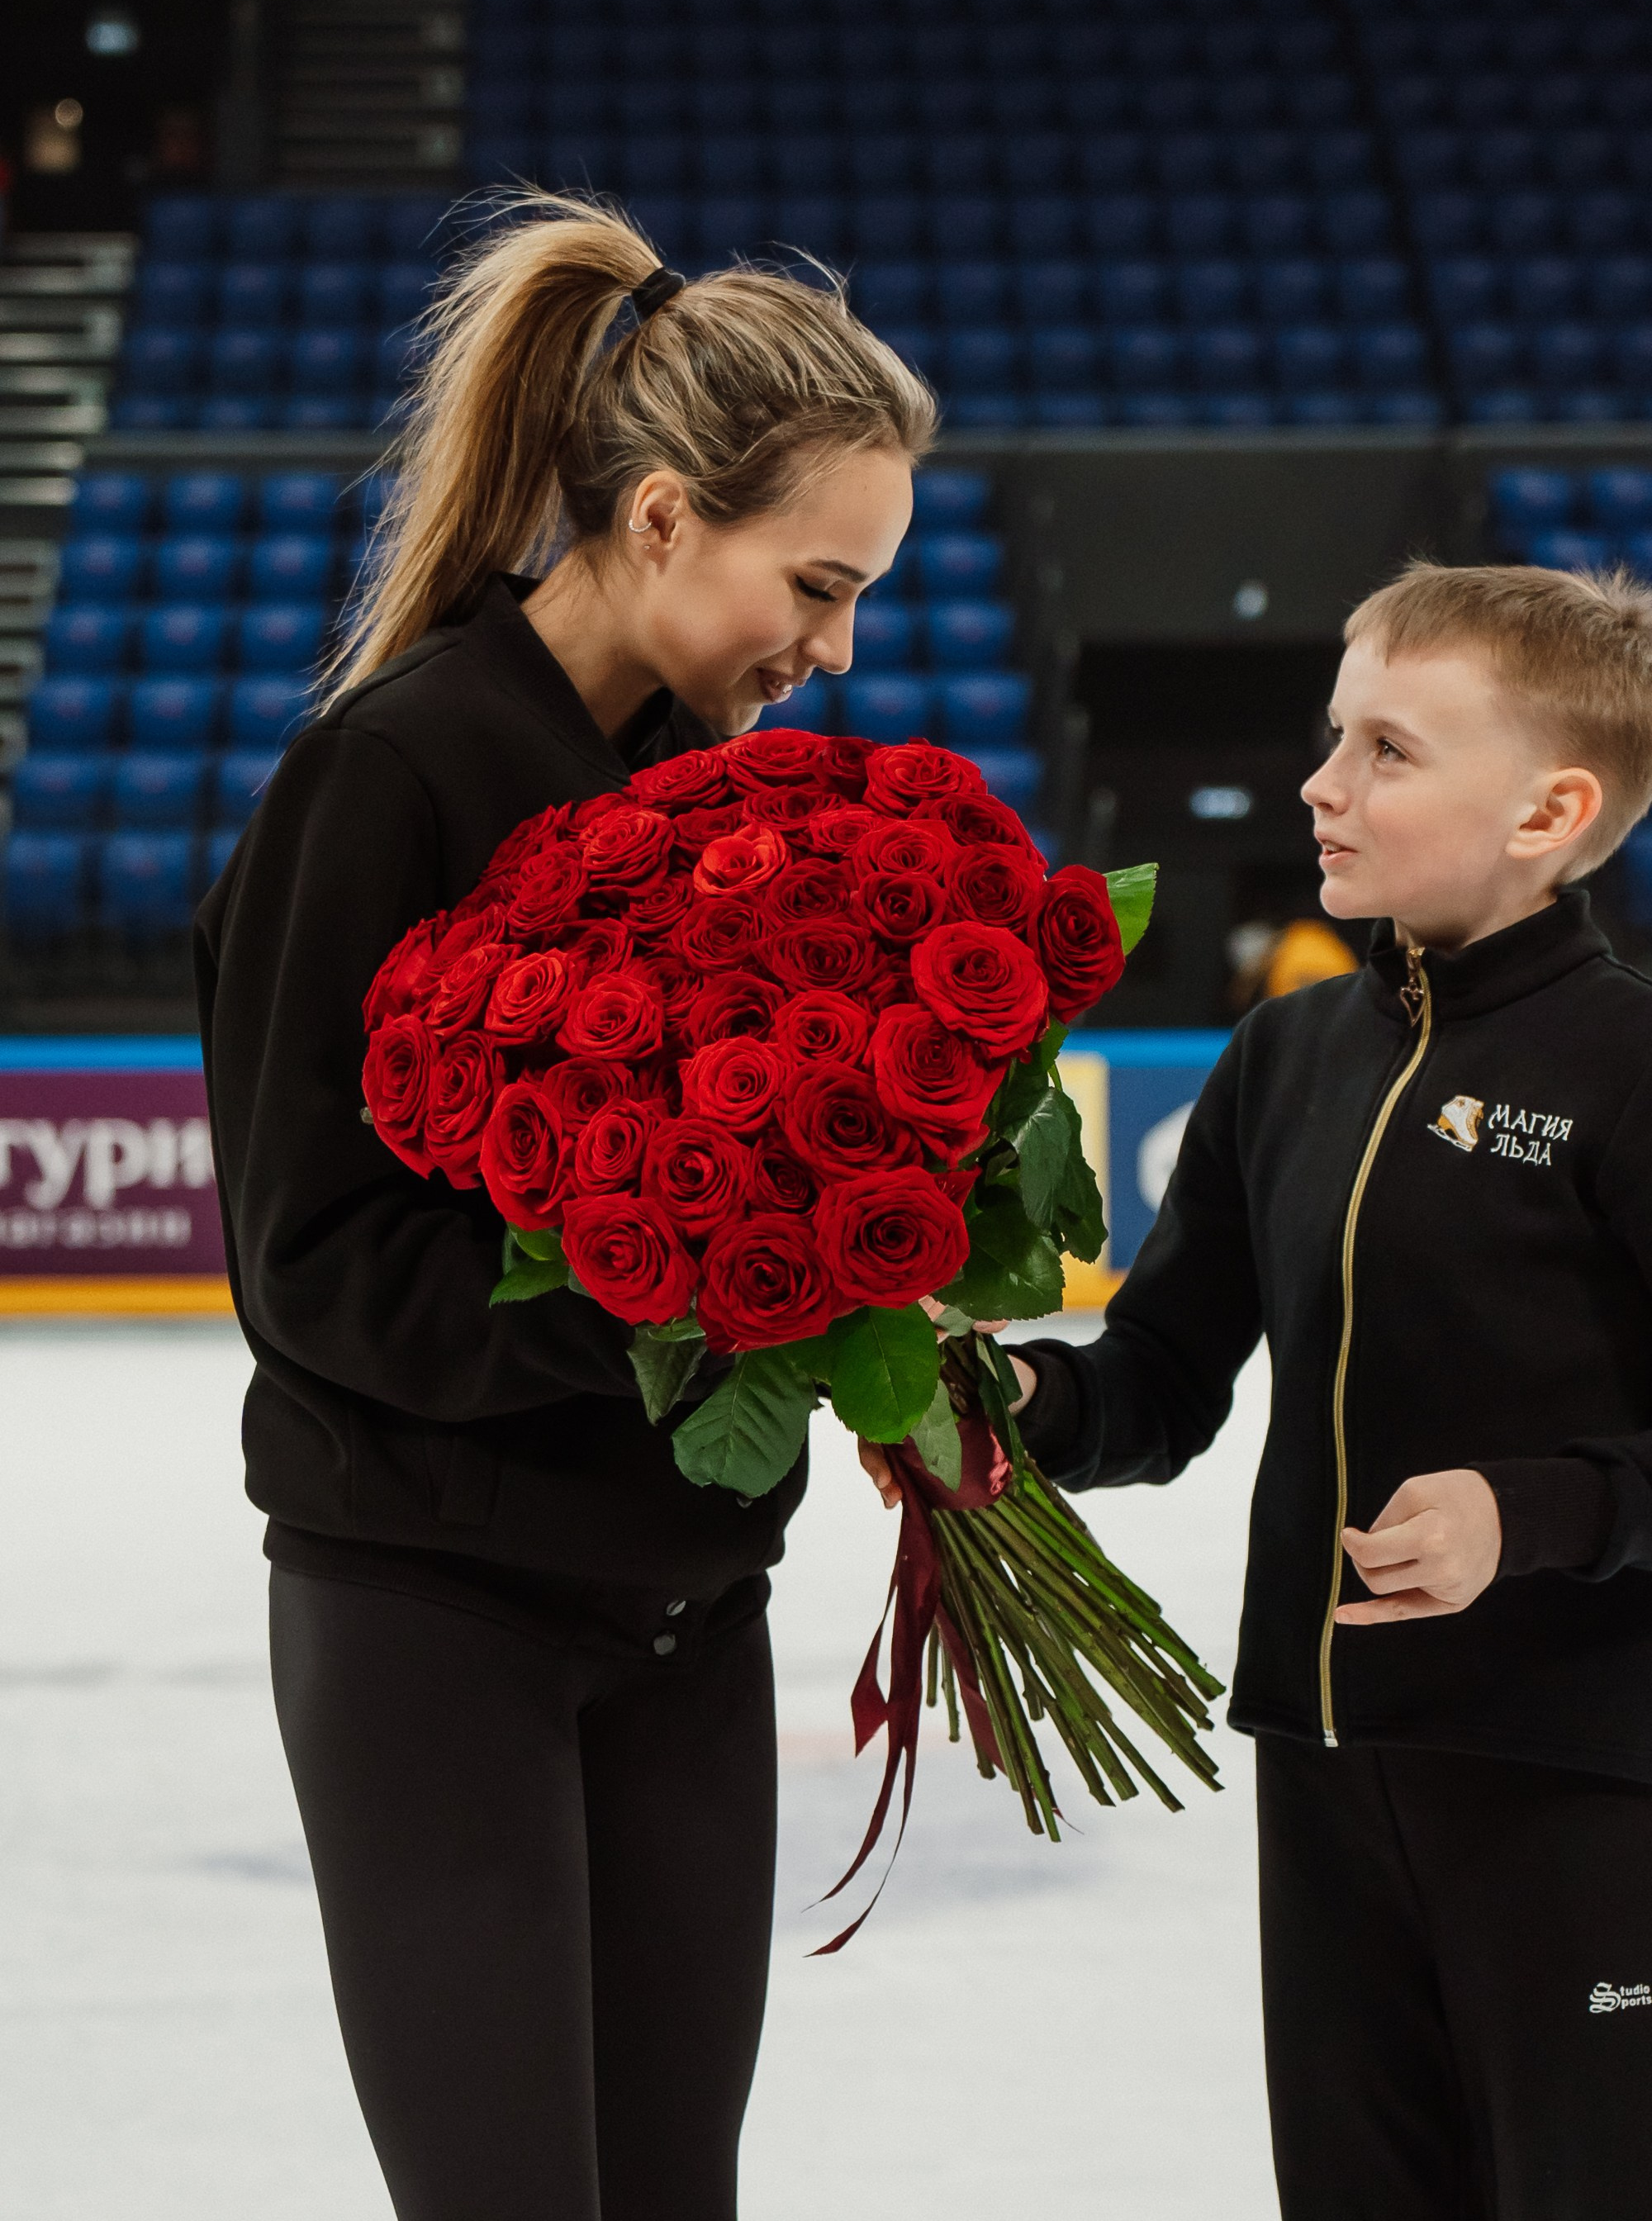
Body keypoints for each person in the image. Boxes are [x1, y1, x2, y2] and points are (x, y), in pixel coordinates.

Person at [195, 194, 933, 2221]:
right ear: (670, 517)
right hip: (435, 1619)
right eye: (817, 580)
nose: (837, 645)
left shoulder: (719, 798)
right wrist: (697, 1318)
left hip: (688, 1623)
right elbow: (317, 1270)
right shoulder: (392, 777)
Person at [868, 561, 1652, 2217]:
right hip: (1321, 1761)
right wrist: (1008, 1400)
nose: (1320, 782)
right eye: (1330, 736)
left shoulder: (1628, 1070)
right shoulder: (1284, 1056)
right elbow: (1159, 1376)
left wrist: (1536, 1513)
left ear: (1549, 809)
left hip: (1584, 1785)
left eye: (1386, 748)